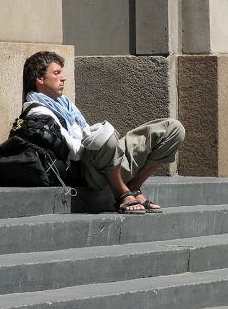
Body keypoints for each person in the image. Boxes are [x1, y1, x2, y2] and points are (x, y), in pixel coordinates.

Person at [21, 51, 185, 214]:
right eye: (56, 73)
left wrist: (104, 142)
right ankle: (121, 194)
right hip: (88, 172)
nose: (63, 78)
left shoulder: (65, 104)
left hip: (105, 161)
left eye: (62, 73)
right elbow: (75, 153)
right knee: (104, 137)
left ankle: (134, 187)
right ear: (40, 79)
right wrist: (101, 140)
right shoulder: (38, 112)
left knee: (173, 129)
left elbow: (86, 131)